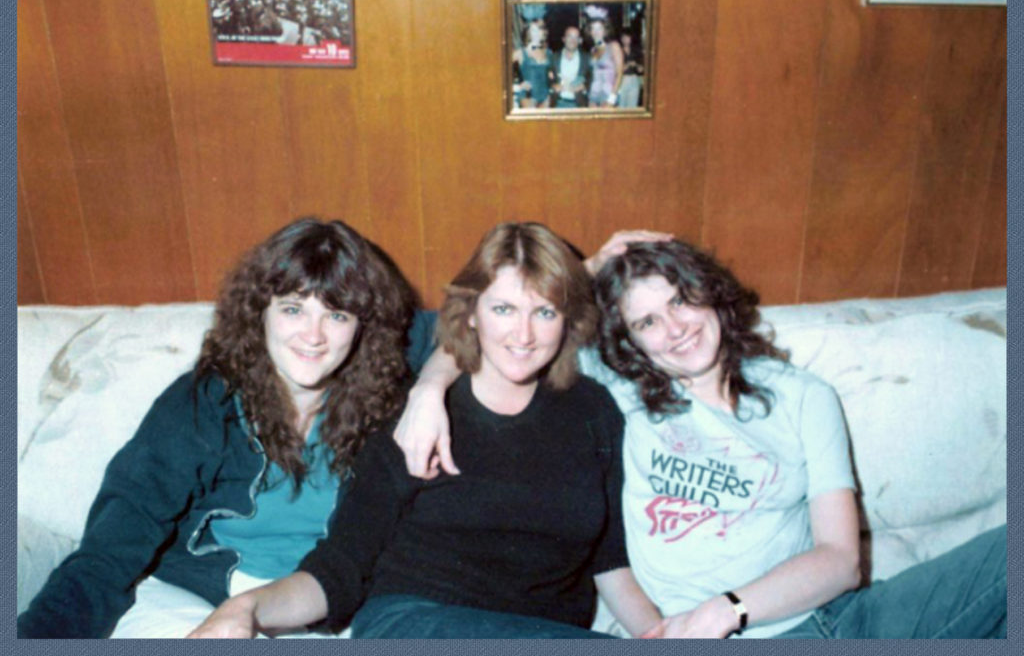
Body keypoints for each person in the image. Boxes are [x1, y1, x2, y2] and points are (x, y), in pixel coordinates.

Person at [394, 232, 1007, 639]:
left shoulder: (803, 397)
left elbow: (841, 559)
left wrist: (725, 611)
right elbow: (494, 323)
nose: (676, 329)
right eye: (648, 322)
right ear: (628, 341)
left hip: (823, 625)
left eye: (683, 300)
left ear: (713, 296)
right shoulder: (623, 389)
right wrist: (428, 391)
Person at [188, 222, 662, 638]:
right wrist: (245, 609)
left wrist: (666, 636)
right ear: (471, 313)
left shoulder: (593, 411)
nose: (524, 335)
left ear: (567, 319)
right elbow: (342, 566)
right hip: (413, 624)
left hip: (545, 633)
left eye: (544, 312)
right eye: (504, 310)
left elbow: (610, 564)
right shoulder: (414, 413)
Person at [17, 218, 436, 638]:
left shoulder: (383, 403)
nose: (314, 335)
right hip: (194, 597)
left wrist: (432, 387)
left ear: (364, 326)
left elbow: (469, 325)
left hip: (320, 606)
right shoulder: (204, 401)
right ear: (260, 311)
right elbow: (111, 549)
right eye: (293, 309)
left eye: (337, 315)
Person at [511, 21, 555, 109]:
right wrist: (516, 87)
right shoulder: (520, 53)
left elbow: (552, 75)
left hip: (546, 96)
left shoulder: (549, 52)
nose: (538, 33)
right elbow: (499, 69)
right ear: (528, 33)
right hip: (528, 96)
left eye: (539, 30)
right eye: (534, 30)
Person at [584, 15, 624, 108]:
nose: (596, 32)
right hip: (593, 96)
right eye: (593, 28)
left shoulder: (613, 46)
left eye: (599, 28)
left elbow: (620, 73)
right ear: (590, 31)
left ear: (605, 30)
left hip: (608, 95)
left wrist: (612, 99)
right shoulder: (593, 50)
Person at [549, 25, 591, 108]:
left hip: (579, 104)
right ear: (563, 39)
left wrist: (584, 86)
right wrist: (553, 85)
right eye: (569, 36)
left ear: (580, 41)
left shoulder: (587, 58)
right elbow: (545, 77)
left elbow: (593, 78)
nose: (573, 40)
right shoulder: (553, 57)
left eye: (576, 37)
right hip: (557, 103)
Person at [616, 33, 644, 108]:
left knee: (632, 105)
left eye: (627, 37)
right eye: (624, 38)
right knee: (621, 104)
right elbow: (618, 69)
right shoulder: (618, 51)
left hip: (634, 79)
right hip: (622, 79)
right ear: (621, 39)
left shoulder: (636, 51)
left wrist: (636, 65)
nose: (626, 40)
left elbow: (641, 70)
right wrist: (628, 64)